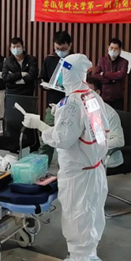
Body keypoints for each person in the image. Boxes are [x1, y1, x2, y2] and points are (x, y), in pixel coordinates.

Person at [22, 54, 109, 261]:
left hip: (77, 173)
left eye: (63, 71)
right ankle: (89, 259)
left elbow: (62, 139)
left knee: (77, 219)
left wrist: (40, 125)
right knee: (91, 216)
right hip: (94, 169)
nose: (60, 77)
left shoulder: (71, 102)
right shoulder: (91, 96)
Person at [38, 30, 73, 166]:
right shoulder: (49, 59)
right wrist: (45, 85)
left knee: (68, 140)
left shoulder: (75, 60)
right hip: (52, 105)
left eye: (63, 49)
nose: (60, 51)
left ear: (70, 45)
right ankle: (42, 167)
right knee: (46, 138)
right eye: (57, 48)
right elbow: (42, 78)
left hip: (70, 106)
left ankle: (66, 167)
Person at [85, 75, 125, 156]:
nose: (84, 95)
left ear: (97, 93)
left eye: (88, 91)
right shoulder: (81, 109)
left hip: (106, 157)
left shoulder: (109, 113)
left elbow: (119, 141)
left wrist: (93, 146)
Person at [93, 38, 128, 111]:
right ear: (108, 47)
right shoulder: (102, 60)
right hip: (104, 96)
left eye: (116, 48)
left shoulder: (124, 62)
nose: (113, 50)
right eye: (111, 48)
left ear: (120, 50)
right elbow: (96, 75)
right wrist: (109, 81)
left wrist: (104, 73)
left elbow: (121, 74)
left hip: (117, 98)